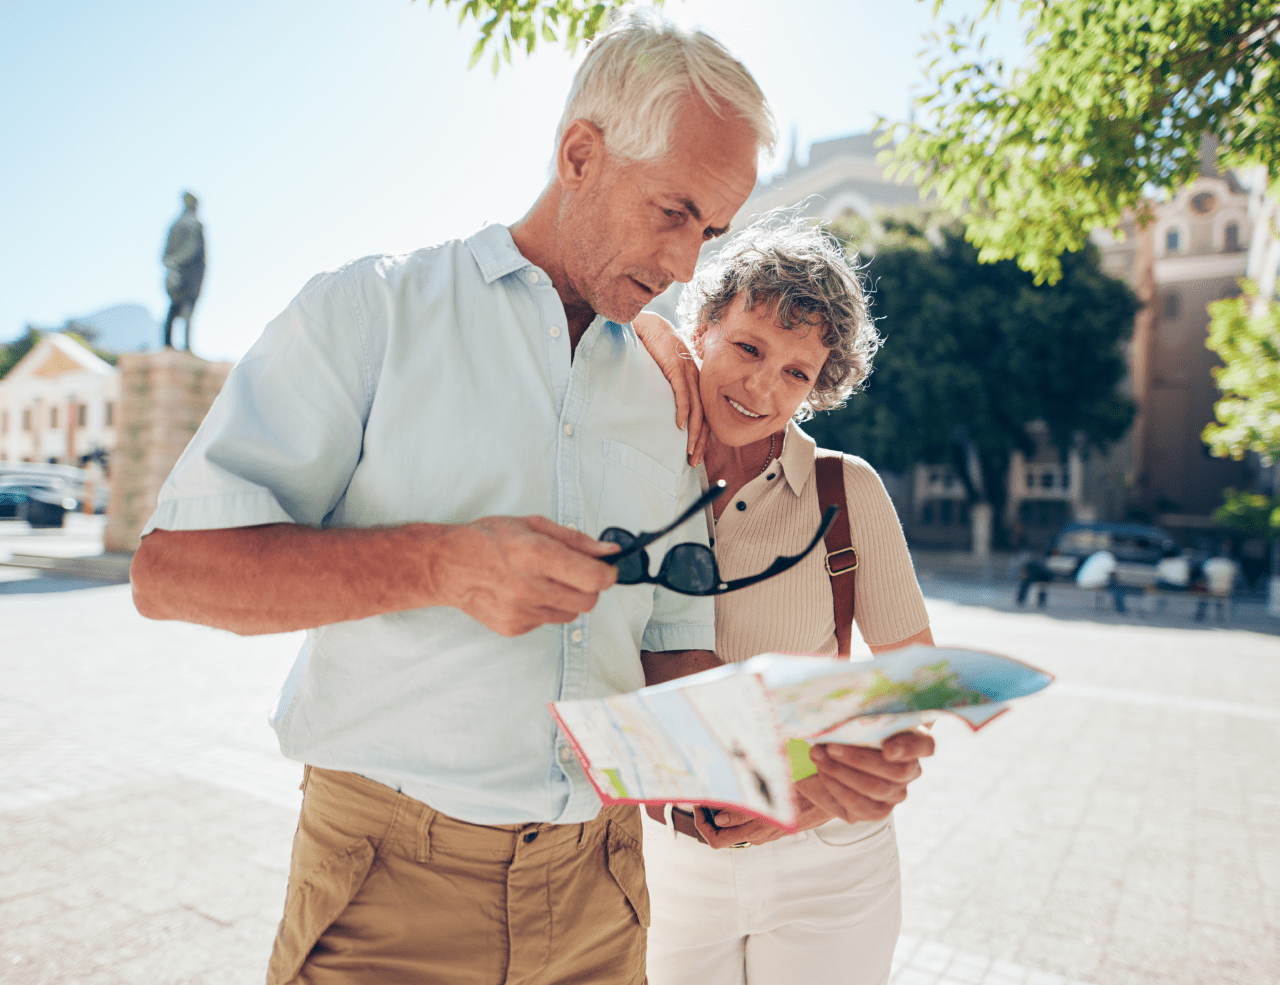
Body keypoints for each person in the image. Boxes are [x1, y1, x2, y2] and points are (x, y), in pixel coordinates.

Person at [128, 12, 932, 985]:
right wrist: (442, 563)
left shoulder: (663, 397)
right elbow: (169, 572)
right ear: (579, 154)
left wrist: (775, 764)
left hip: (605, 896)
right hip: (389, 894)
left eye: (711, 231)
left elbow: (667, 653)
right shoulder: (371, 313)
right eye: (672, 212)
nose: (687, 266)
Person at [634, 215, 935, 985]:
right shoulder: (630, 468)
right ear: (701, 327)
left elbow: (917, 684)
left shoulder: (847, 488)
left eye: (797, 373)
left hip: (828, 862)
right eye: (748, 347)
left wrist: (804, 791)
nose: (763, 387)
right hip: (663, 856)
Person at [161, 191, 205, 350]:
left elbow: (166, 253)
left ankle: (171, 345)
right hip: (189, 274)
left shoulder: (177, 224)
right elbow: (193, 248)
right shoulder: (193, 224)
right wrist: (176, 262)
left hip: (179, 270)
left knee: (176, 310)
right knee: (184, 309)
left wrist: (171, 261)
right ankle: (181, 346)